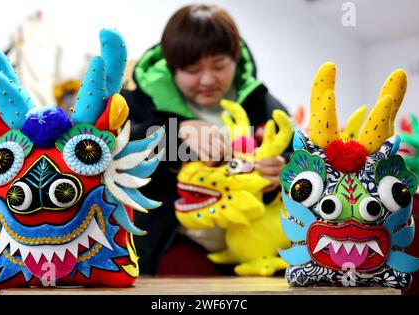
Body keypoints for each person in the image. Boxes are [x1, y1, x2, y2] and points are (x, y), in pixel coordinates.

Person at [123, 4, 292, 275]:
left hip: (258, 248)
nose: (207, 79)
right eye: (192, 69)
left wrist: (281, 174)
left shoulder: (263, 105)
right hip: (173, 244)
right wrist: (174, 133)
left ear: (235, 60)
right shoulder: (139, 101)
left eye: (219, 66)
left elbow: (298, 162)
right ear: (171, 68)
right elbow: (117, 149)